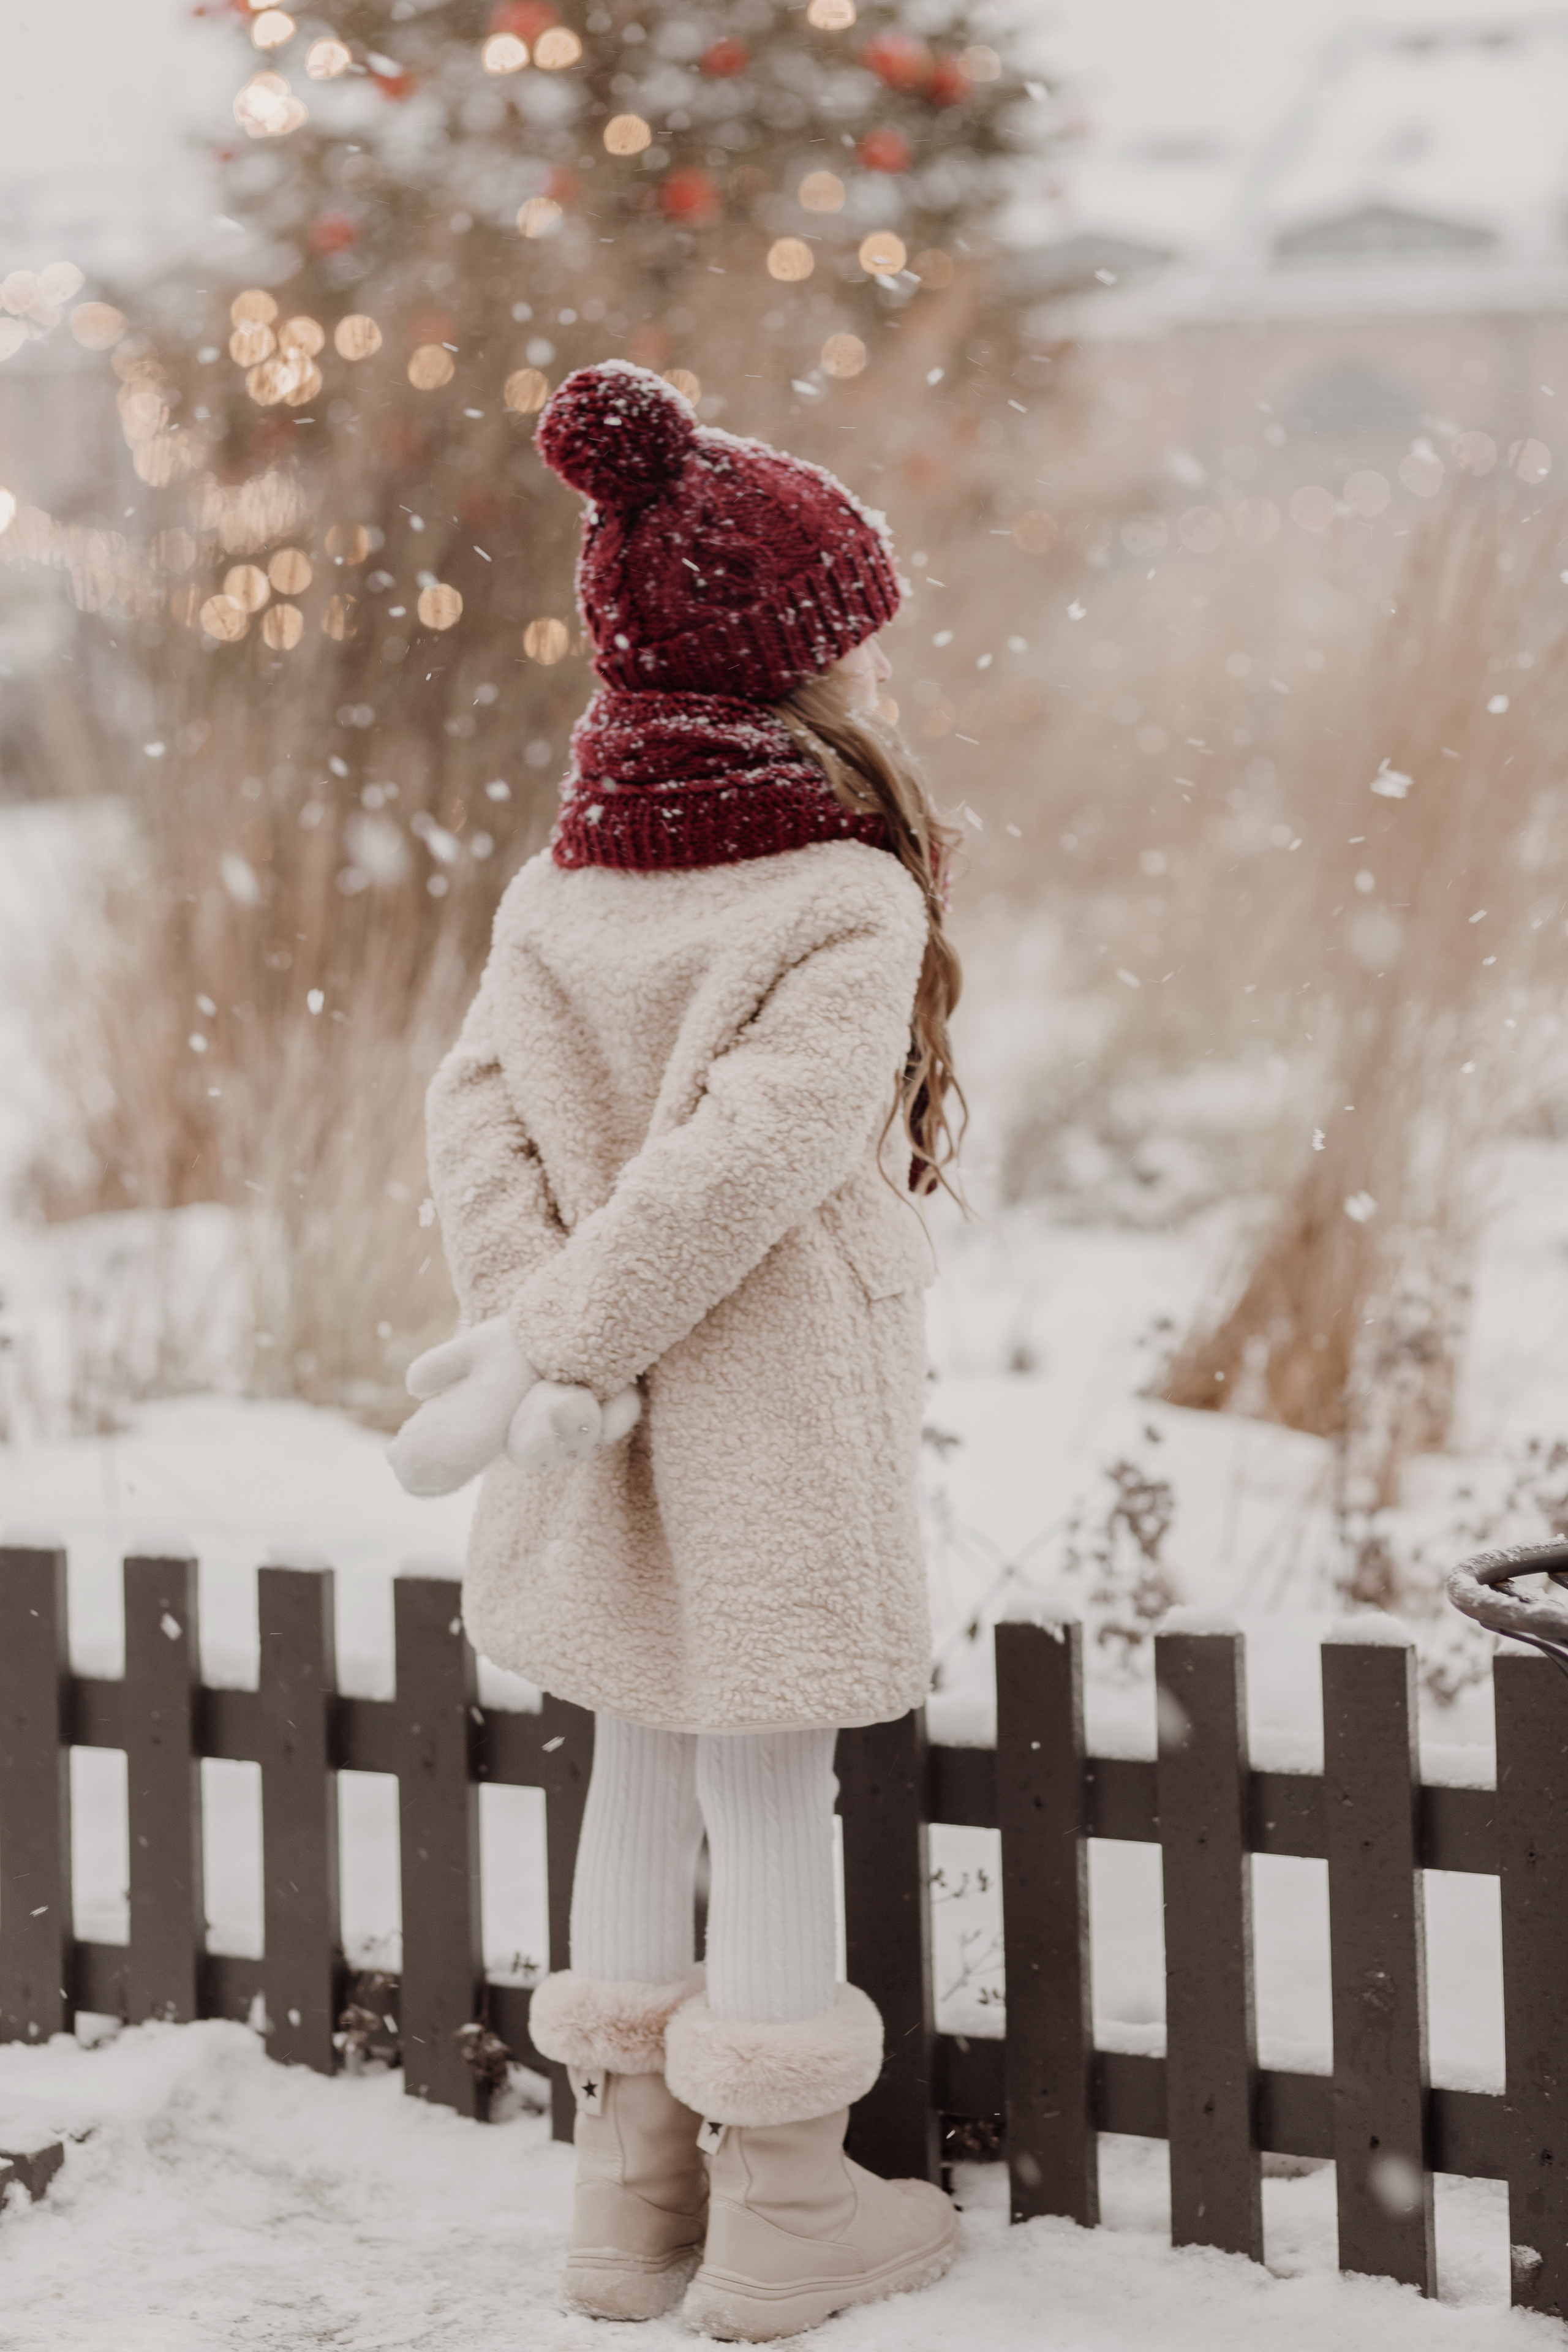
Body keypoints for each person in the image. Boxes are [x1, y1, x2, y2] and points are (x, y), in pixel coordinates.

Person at [390, 359, 964, 2343]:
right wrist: (588, 1334)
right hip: (766, 1409)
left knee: (632, 1752)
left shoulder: (565, 886)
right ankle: (789, 2208)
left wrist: (550, 1343)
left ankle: (626, 2200)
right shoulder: (838, 892)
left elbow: (478, 1115)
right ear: (801, 664)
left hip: (588, 1420)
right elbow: (750, 1165)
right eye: (861, 643)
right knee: (764, 1780)